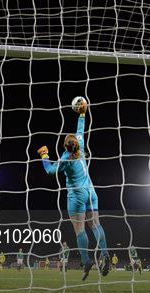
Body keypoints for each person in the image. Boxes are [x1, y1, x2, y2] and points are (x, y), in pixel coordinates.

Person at [37, 99, 110, 281]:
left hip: (77, 195)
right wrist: (83, 113)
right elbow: (80, 129)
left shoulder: (65, 159)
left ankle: (86, 261)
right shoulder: (81, 146)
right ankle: (106, 255)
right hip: (91, 192)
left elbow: (49, 170)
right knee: (96, 225)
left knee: (80, 230)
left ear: (65, 147)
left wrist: (44, 155)